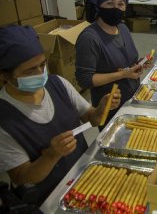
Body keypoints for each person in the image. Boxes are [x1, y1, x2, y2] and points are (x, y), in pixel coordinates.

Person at [0, 25, 121, 205]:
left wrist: (101, 109)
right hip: (49, 198)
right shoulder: (4, 118)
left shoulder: (58, 84)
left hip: (83, 177)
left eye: (42, 64)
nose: (40, 74)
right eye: (29, 71)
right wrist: (51, 155)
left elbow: (91, 119)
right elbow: (21, 176)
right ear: (4, 75)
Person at [76, 0, 141, 129]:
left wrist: (138, 65)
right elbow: (85, 80)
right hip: (110, 106)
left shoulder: (122, 28)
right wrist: (123, 75)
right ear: (99, 6)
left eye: (120, 4)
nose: (116, 8)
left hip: (132, 98)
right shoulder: (90, 38)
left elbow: (128, 60)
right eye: (110, 3)